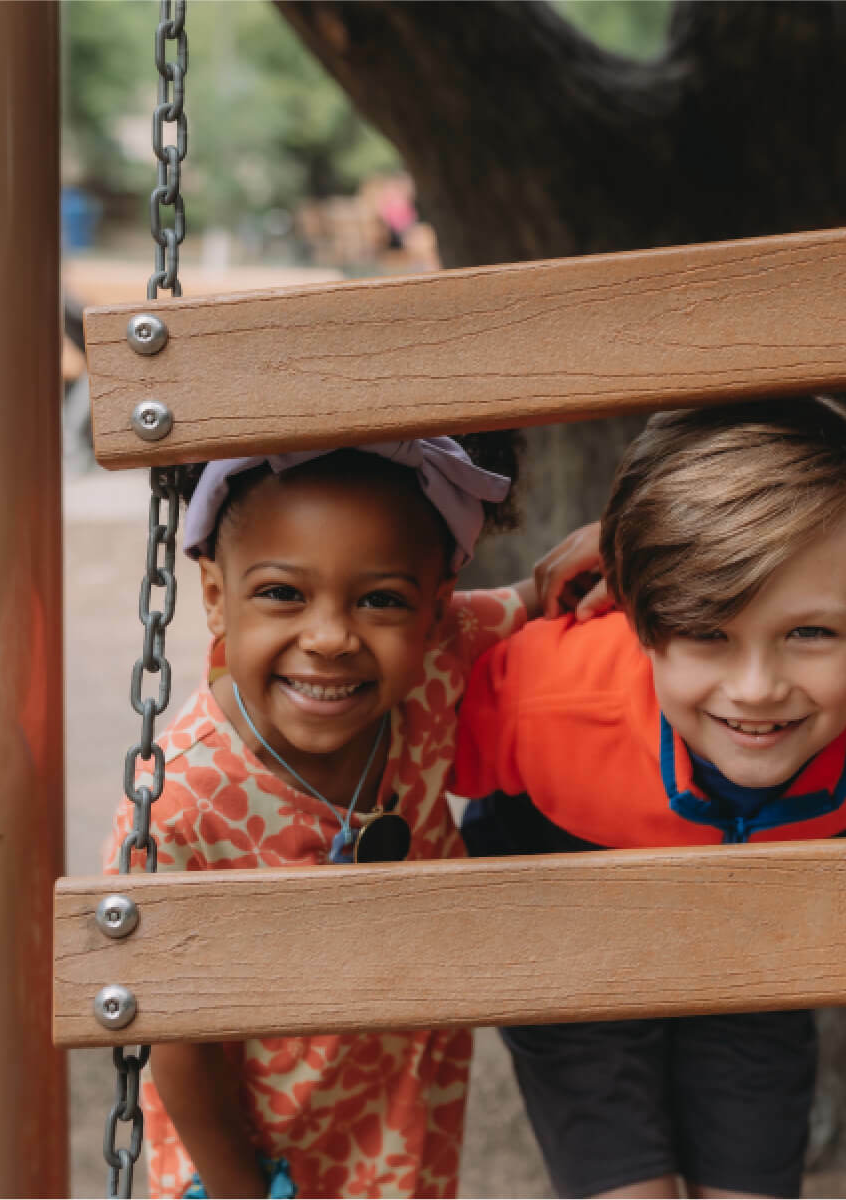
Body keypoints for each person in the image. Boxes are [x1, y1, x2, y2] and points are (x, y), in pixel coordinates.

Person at [449, 396, 846, 1199]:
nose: (758, 690)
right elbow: (398, 712)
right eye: (708, 630)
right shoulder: (545, 704)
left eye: (810, 634)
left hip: (754, 947)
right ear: (641, 620)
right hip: (574, 937)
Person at [103, 437, 550, 1199]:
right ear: (215, 595)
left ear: (435, 605)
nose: (331, 637)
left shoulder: (440, 659)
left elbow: (538, 597)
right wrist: (241, 1188)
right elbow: (177, 1043)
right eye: (282, 593)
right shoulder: (182, 802)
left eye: (380, 599)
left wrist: (576, 568)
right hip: (246, 1146)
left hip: (398, 1095)